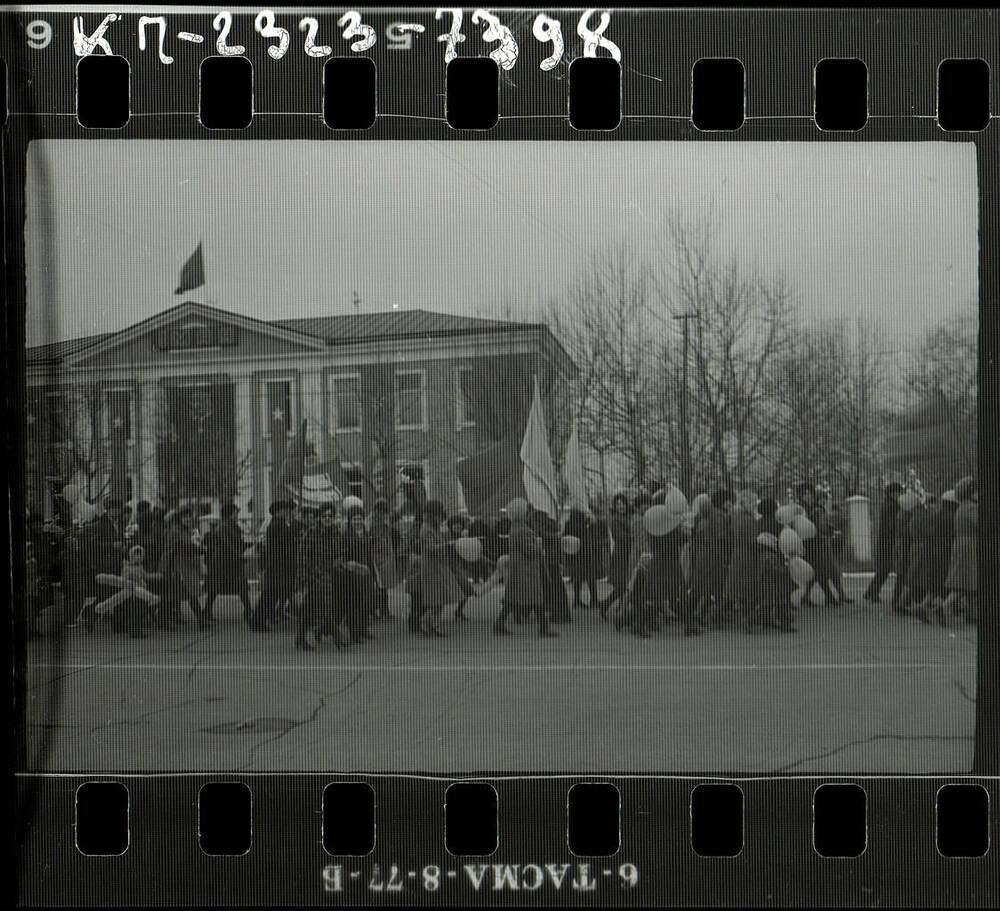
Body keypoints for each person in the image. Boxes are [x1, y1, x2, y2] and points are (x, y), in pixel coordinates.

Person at [493, 497, 557, 638]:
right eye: (526, 510)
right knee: (536, 598)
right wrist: (539, 545)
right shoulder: (524, 531)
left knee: (512, 598)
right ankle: (544, 629)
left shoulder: (514, 529)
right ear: (522, 513)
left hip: (518, 568)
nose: (528, 513)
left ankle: (499, 623)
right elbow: (530, 550)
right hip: (527, 570)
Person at [294, 502, 348, 650]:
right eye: (325, 516)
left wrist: (340, 562)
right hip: (313, 576)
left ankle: (301, 636)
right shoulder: (311, 533)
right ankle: (337, 636)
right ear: (320, 517)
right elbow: (302, 557)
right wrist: (303, 580)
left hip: (331, 574)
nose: (327, 518)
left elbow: (340, 552)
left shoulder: (335, 532)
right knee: (323, 606)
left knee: (312, 608)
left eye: (330, 516)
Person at [94, 544, 161, 638]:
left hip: (141, 591)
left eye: (140, 555)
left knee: (140, 611)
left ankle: (136, 629)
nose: (138, 557)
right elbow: (123, 580)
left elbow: (145, 576)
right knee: (134, 611)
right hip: (132, 592)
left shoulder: (140, 567)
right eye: (136, 555)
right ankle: (134, 630)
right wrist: (131, 582)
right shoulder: (127, 567)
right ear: (131, 556)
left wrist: (156, 576)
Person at [203, 503, 252, 624]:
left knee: (234, 587)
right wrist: (239, 556)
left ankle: (248, 610)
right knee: (218, 588)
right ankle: (206, 612)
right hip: (224, 562)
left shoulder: (230, 526)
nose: (237, 515)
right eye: (236, 512)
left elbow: (235, 543)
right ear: (230, 514)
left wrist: (248, 545)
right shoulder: (224, 527)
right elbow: (227, 545)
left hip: (227, 562)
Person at [158, 506, 207, 628]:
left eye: (190, 516)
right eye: (185, 517)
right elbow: (180, 548)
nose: (188, 519)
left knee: (176, 595)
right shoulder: (175, 531)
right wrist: (200, 550)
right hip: (176, 566)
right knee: (175, 595)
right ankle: (201, 620)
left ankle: (164, 620)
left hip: (184, 565)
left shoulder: (187, 531)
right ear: (179, 519)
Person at [419, 500, 461, 637]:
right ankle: (427, 622)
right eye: (438, 515)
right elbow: (430, 548)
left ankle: (432, 624)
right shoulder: (426, 529)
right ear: (432, 515)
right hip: (432, 568)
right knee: (436, 598)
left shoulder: (433, 527)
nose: (440, 518)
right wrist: (448, 544)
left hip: (439, 566)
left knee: (441, 598)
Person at [255, 500, 298, 631]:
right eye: (285, 510)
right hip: (279, 566)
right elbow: (285, 547)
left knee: (270, 594)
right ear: (279, 511)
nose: (288, 512)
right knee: (270, 595)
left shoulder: (276, 524)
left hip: (275, 565)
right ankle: (258, 622)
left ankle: (258, 621)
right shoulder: (279, 526)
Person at [941, 476, 977, 624]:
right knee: (965, 581)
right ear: (970, 492)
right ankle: (943, 607)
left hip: (961, 544)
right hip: (969, 546)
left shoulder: (962, 507)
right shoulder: (971, 507)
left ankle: (970, 613)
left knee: (967, 581)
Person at [724, 488, 760, 631]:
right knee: (749, 588)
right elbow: (752, 542)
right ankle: (748, 620)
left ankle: (742, 617)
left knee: (737, 587)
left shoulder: (735, 518)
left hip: (736, 555)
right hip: (748, 557)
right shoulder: (750, 520)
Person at [341, 505, 377, 642]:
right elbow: (344, 556)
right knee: (354, 604)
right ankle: (354, 633)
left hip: (366, 572)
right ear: (350, 521)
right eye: (354, 519)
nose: (357, 522)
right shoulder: (346, 536)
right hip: (353, 573)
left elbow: (369, 555)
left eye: (360, 519)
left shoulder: (366, 535)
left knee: (366, 602)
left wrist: (372, 574)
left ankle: (364, 629)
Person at [864, 482, 904, 603]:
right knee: (884, 569)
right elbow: (892, 525)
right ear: (892, 493)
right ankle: (872, 592)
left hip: (884, 540)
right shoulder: (892, 506)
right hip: (888, 541)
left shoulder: (887, 504)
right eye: (898, 492)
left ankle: (871, 592)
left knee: (884, 569)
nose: (899, 494)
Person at [530, 507, 571, 623]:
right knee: (556, 585)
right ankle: (560, 613)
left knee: (553, 585)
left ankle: (558, 613)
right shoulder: (549, 519)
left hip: (548, 557)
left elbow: (541, 534)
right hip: (552, 557)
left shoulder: (538, 518)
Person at [598, 493, 632, 619]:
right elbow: (620, 537)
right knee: (622, 585)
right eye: (618, 504)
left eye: (622, 503)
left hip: (629, 553)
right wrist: (634, 536)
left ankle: (619, 609)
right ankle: (607, 605)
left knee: (626, 584)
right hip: (621, 554)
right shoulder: (615, 520)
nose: (620, 506)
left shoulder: (629, 517)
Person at [369, 499, 400, 620]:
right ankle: (379, 611)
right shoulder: (374, 522)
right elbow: (376, 538)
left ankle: (384, 611)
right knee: (379, 585)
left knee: (383, 586)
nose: (383, 514)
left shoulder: (382, 520)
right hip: (378, 556)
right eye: (382, 511)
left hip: (384, 555)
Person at [890, 489, 919, 615]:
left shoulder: (900, 514)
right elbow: (908, 533)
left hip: (901, 545)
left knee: (902, 576)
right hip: (906, 546)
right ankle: (901, 603)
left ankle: (898, 602)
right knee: (905, 575)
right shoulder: (907, 516)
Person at [445, 513, 476, 621]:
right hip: (447, 568)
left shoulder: (463, 538)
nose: (457, 526)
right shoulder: (446, 538)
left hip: (459, 569)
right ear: (451, 525)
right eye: (455, 524)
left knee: (467, 590)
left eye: (459, 524)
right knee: (445, 593)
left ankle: (459, 611)